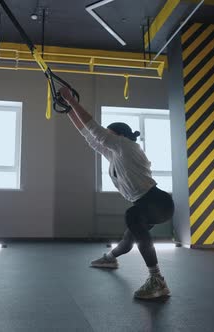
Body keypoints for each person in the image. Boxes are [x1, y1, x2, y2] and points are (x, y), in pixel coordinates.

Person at [59, 87, 175, 300]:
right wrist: (68, 111)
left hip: (157, 202)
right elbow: (89, 135)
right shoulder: (115, 154)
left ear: (119, 135)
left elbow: (94, 130)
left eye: (108, 134)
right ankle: (110, 258)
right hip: (148, 205)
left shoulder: (125, 146)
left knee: (132, 216)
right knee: (128, 240)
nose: (104, 138)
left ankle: (157, 279)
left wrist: (72, 101)